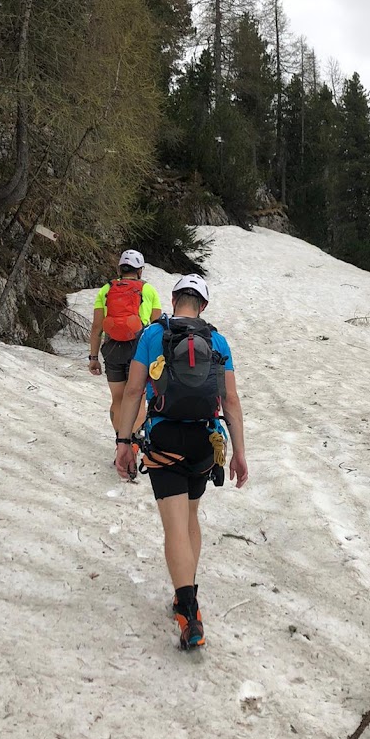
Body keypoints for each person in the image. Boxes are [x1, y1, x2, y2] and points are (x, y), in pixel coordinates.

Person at [115, 274, 248, 650]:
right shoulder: (217, 340)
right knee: (190, 517)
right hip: (206, 442)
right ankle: (186, 593)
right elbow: (232, 401)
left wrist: (124, 441)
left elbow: (135, 391)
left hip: (164, 441)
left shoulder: (153, 335)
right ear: (203, 305)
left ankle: (188, 608)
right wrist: (239, 453)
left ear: (174, 300)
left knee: (174, 525)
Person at [88, 250, 162, 440]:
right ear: (140, 271)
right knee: (136, 398)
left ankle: (120, 439)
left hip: (112, 349)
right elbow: (157, 328)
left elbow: (97, 327)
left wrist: (94, 358)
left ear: (120, 268)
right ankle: (133, 442)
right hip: (138, 350)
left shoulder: (105, 290)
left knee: (118, 399)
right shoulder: (148, 290)